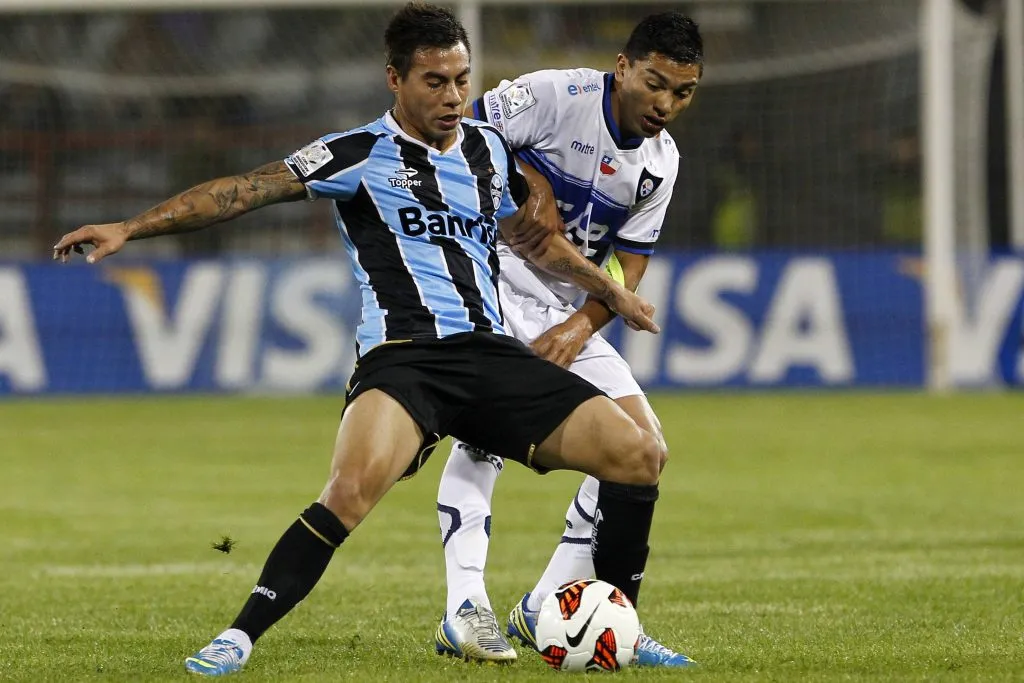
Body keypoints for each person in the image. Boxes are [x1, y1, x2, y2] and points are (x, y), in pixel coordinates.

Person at [53, 3, 670, 676]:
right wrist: (130, 227)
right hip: (404, 359)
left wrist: (609, 292)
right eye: (435, 81)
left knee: (637, 454)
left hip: (490, 356)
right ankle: (238, 635)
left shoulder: (488, 150)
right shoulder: (357, 152)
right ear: (395, 79)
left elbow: (539, 243)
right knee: (346, 493)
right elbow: (241, 191)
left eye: (462, 79)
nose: (454, 96)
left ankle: (616, 628)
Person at [432, 11, 703, 667]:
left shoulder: (660, 165)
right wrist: (534, 181)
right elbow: (465, 137)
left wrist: (580, 324)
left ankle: (552, 602)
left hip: (564, 310)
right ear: (622, 66)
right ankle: (464, 607)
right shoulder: (557, 95)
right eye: (655, 83)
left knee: (644, 450)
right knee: (485, 436)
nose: (665, 103)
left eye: (683, 92)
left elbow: (627, 268)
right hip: (488, 278)